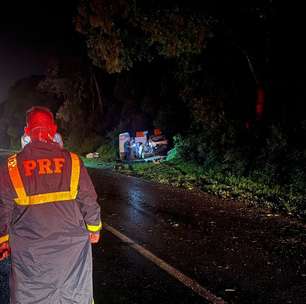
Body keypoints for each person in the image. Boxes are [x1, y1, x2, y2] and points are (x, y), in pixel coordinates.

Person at [0, 106, 102, 304]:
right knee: (73, 294)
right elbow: (89, 199)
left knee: (32, 297)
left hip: (30, 256)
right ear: (54, 130)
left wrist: (3, 240)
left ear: (27, 131)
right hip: (71, 253)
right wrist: (94, 228)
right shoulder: (73, 161)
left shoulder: (11, 166)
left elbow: (3, 207)